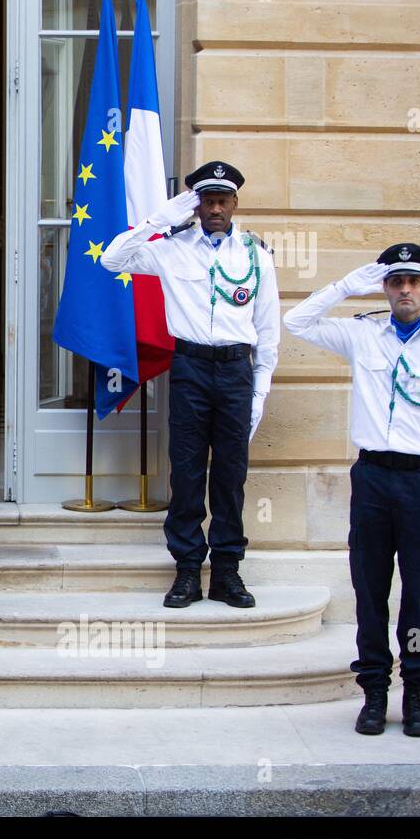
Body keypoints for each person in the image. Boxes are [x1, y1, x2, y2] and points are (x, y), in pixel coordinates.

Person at [284, 245, 420, 737]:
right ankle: (375, 692)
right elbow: (297, 321)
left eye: (413, 282)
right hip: (374, 479)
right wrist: (346, 285)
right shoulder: (363, 335)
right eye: (395, 281)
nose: (404, 290)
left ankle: (417, 693)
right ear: (385, 287)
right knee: (370, 590)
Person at [101, 161, 280, 609]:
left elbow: (269, 332)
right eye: (207, 200)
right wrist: (162, 218)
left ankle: (227, 572)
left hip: (237, 370)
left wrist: (259, 394)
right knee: (186, 472)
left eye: (222, 199)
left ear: (235, 203)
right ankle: (185, 571)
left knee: (230, 476)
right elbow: (112, 259)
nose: (215, 207)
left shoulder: (256, 253)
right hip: (191, 368)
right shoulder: (171, 247)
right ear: (196, 205)